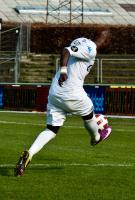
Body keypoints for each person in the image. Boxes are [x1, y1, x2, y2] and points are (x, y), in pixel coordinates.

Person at [14, 31, 112, 176]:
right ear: (103, 40)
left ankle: (29, 153)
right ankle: (96, 137)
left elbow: (71, 50)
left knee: (51, 130)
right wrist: (64, 71)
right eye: (107, 38)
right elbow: (66, 50)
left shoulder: (81, 41)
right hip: (71, 91)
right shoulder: (90, 47)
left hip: (55, 92)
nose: (107, 41)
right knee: (89, 113)